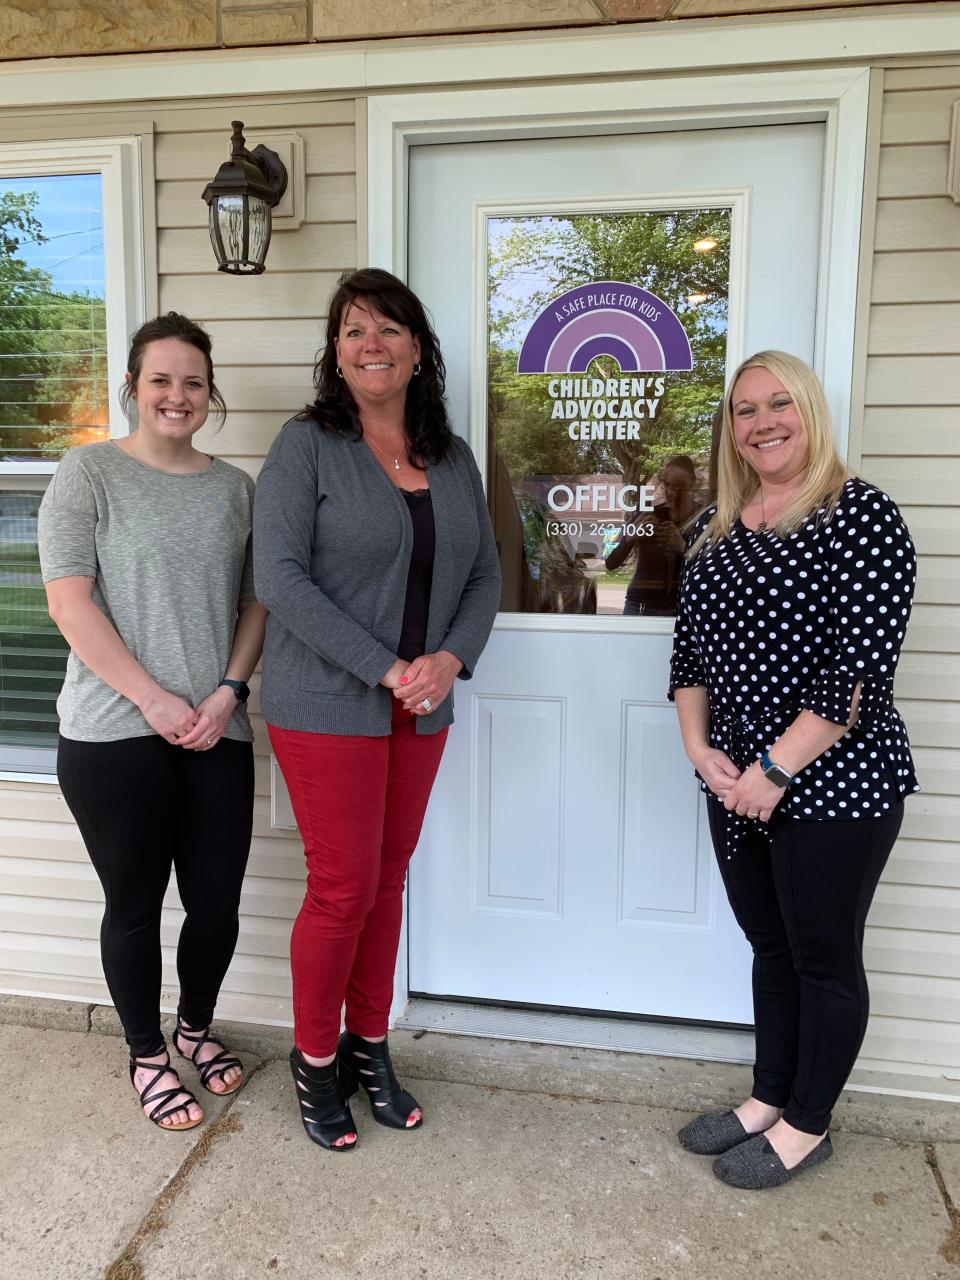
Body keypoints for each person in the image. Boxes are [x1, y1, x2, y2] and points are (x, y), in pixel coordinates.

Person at [254, 268, 501, 1152]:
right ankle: (313, 1058)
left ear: (418, 350)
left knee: (387, 881)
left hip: (420, 705)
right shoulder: (307, 446)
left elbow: (483, 575)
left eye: (389, 329)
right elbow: (278, 578)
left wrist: (447, 657)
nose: (372, 344)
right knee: (343, 886)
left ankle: (369, 1045)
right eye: (355, 329)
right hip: (324, 704)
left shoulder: (452, 455)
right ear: (336, 351)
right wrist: (388, 667)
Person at [669, 350, 918, 1189]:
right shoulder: (714, 529)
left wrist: (773, 770)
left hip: (833, 782)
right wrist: (698, 747)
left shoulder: (862, 517)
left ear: (810, 411)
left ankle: (809, 1124)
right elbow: (689, 655)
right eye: (745, 410)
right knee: (769, 945)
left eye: (781, 404)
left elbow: (857, 672)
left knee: (823, 956)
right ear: (730, 430)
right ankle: (767, 1099)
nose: (763, 422)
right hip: (735, 783)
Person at [38, 313, 266, 1132]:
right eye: (161, 379)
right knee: (133, 905)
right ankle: (146, 1055)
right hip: (111, 733)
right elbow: (70, 603)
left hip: (214, 731)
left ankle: (195, 1030)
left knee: (216, 903)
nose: (178, 395)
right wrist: (155, 698)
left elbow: (254, 603)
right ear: (132, 387)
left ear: (211, 394)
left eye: (194, 381)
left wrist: (228, 693)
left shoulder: (236, 490)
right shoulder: (87, 473)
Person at [605, 455, 697, 615]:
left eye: (680, 486)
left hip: (683, 607)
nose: (672, 493)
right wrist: (630, 539)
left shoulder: (702, 518)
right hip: (640, 605)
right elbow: (611, 563)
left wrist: (683, 547)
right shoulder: (647, 513)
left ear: (693, 483)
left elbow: (714, 569)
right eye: (667, 485)